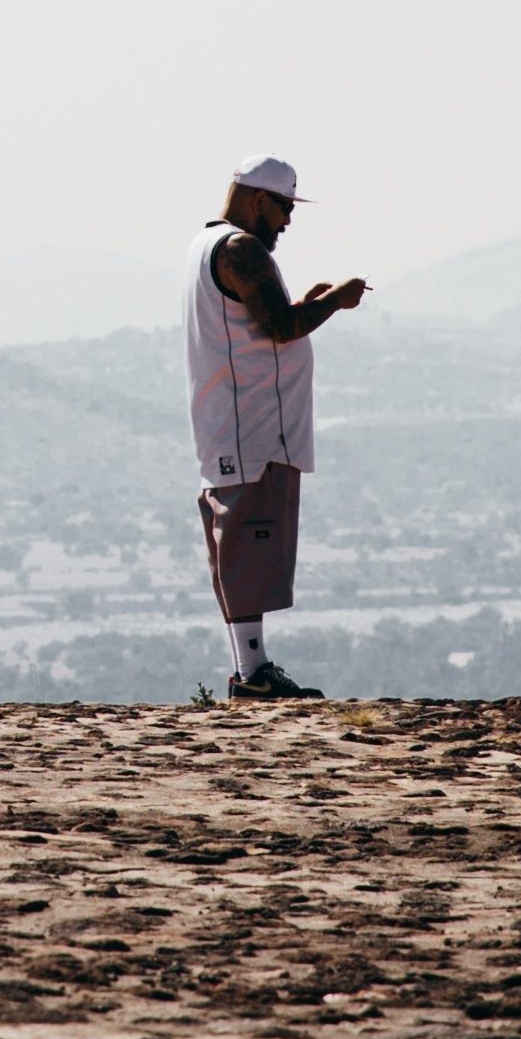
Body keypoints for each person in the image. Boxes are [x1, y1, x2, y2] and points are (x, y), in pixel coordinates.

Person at [185, 157, 364, 702]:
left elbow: (268, 321)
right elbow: (280, 327)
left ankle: (252, 670)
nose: (287, 221)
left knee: (241, 544)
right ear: (258, 199)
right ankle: (253, 675)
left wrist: (304, 306)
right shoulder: (240, 248)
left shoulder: (209, 244)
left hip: (241, 423)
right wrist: (337, 301)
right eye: (285, 207)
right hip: (251, 426)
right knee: (248, 541)